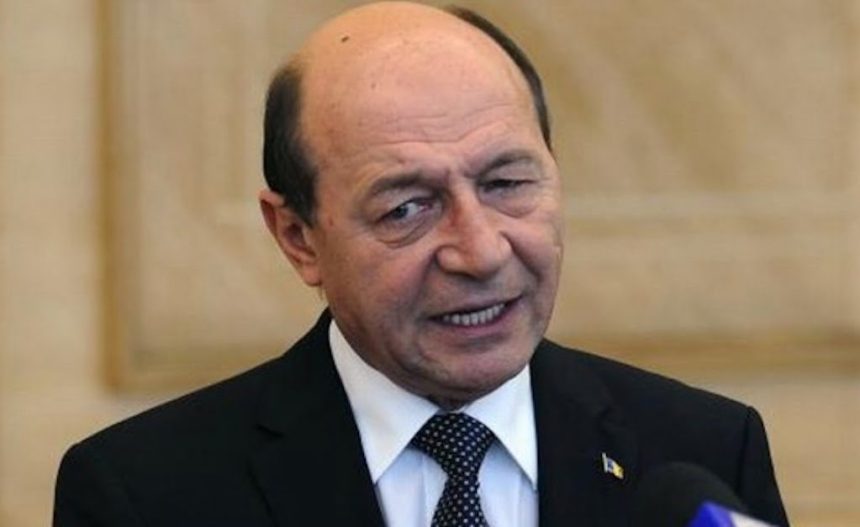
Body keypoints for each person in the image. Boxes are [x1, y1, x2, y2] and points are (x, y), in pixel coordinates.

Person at [53, 3, 790, 526]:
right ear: (298, 237)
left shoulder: (703, 454)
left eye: (507, 182)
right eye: (407, 207)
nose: (481, 251)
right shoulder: (145, 494)